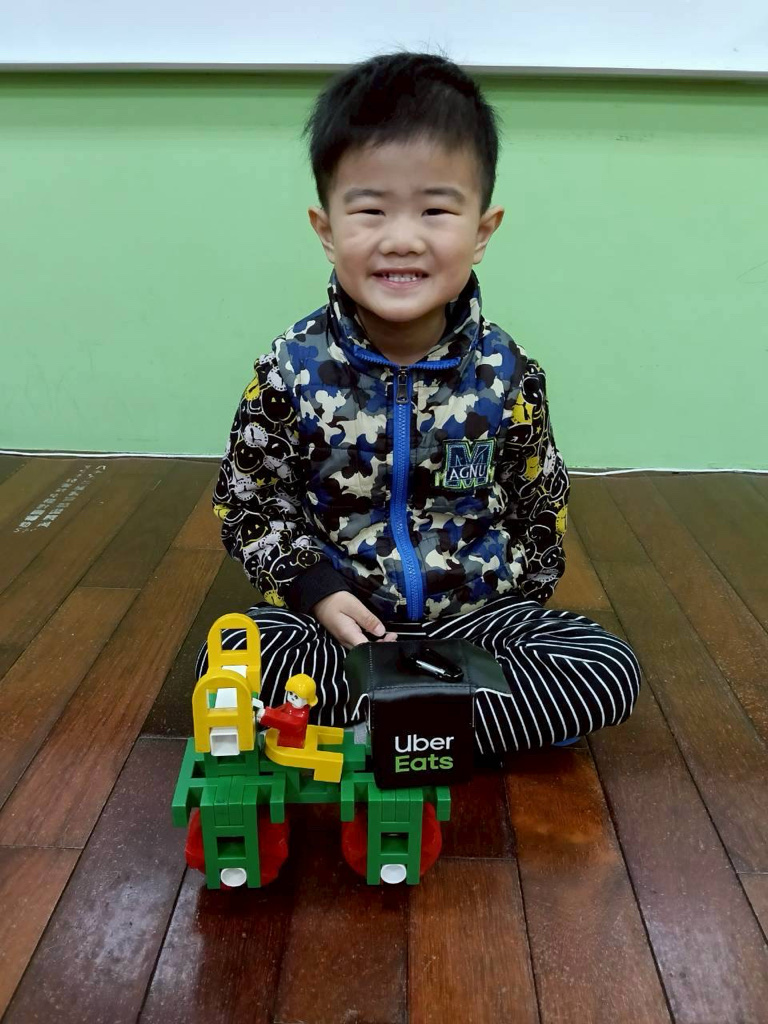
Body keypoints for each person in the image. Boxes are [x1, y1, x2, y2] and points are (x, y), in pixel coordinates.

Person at [196, 49, 642, 756]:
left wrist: (517, 600)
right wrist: (315, 589)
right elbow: (250, 501)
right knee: (238, 655)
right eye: (370, 210)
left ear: (482, 232)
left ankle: (374, 728)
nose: (401, 239)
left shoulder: (508, 374)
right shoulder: (288, 371)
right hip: (340, 625)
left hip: (474, 624)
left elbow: (539, 500)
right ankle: (439, 726)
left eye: (435, 210)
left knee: (604, 667)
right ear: (326, 229)